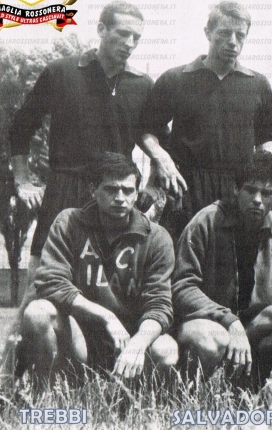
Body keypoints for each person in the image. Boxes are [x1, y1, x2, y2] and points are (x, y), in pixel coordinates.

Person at [7, 1, 151, 365]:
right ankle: (6, 376)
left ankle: (94, 371)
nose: (130, 43)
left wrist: (153, 185)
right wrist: (24, 182)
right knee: (37, 288)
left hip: (114, 199)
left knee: (106, 289)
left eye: (136, 37)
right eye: (122, 34)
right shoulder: (61, 72)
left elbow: (153, 137)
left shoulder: (142, 85)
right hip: (64, 191)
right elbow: (21, 127)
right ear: (101, 30)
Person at [20, 153, 177, 383]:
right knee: (37, 312)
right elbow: (50, 282)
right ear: (93, 189)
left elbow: (160, 306)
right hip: (79, 338)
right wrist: (106, 316)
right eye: (111, 189)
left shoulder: (156, 238)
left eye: (128, 190)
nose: (120, 198)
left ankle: (130, 396)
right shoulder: (69, 223)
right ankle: (46, 392)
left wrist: (137, 344)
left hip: (129, 339)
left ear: (137, 194)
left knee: (166, 350)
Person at [172, 150, 272, 386]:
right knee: (212, 341)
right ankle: (185, 393)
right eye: (250, 190)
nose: (258, 199)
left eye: (266, 193)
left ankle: (244, 389)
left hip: (250, 328)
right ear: (235, 189)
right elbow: (182, 287)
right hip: (208, 323)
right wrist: (229, 321)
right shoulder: (205, 222)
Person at [140, 1, 272, 230]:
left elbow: (268, 139)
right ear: (208, 32)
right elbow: (147, 130)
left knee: (234, 251)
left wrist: (263, 181)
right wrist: (163, 161)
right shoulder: (175, 79)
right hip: (186, 189)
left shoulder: (258, 84)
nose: (233, 42)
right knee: (183, 250)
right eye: (224, 33)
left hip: (238, 192)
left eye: (240, 35)